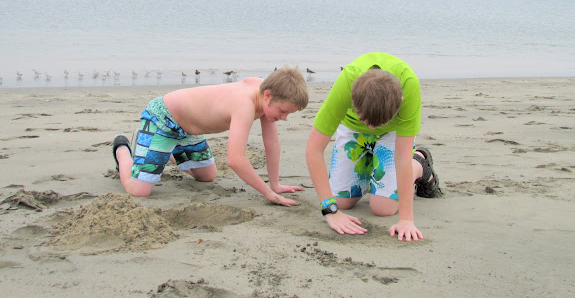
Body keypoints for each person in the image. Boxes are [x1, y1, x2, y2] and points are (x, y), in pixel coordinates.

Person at [112, 67, 309, 206]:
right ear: (267, 95)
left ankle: (155, 151)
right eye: (283, 111)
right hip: (162, 120)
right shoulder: (245, 105)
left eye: (288, 114)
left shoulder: (267, 94)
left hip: (189, 130)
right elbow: (235, 160)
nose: (283, 118)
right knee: (139, 190)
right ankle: (123, 149)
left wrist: (275, 185)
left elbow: (272, 143)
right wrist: (268, 194)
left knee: (207, 176)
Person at [305, 52, 440, 240]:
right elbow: (314, 149)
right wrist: (331, 211)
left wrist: (406, 220)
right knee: (341, 202)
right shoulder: (346, 83)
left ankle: (420, 164)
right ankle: (369, 166)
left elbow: (401, 158)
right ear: (352, 98)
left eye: (377, 123)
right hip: (353, 128)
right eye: (366, 121)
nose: (371, 128)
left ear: (400, 102)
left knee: (383, 208)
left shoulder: (409, 86)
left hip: (393, 133)